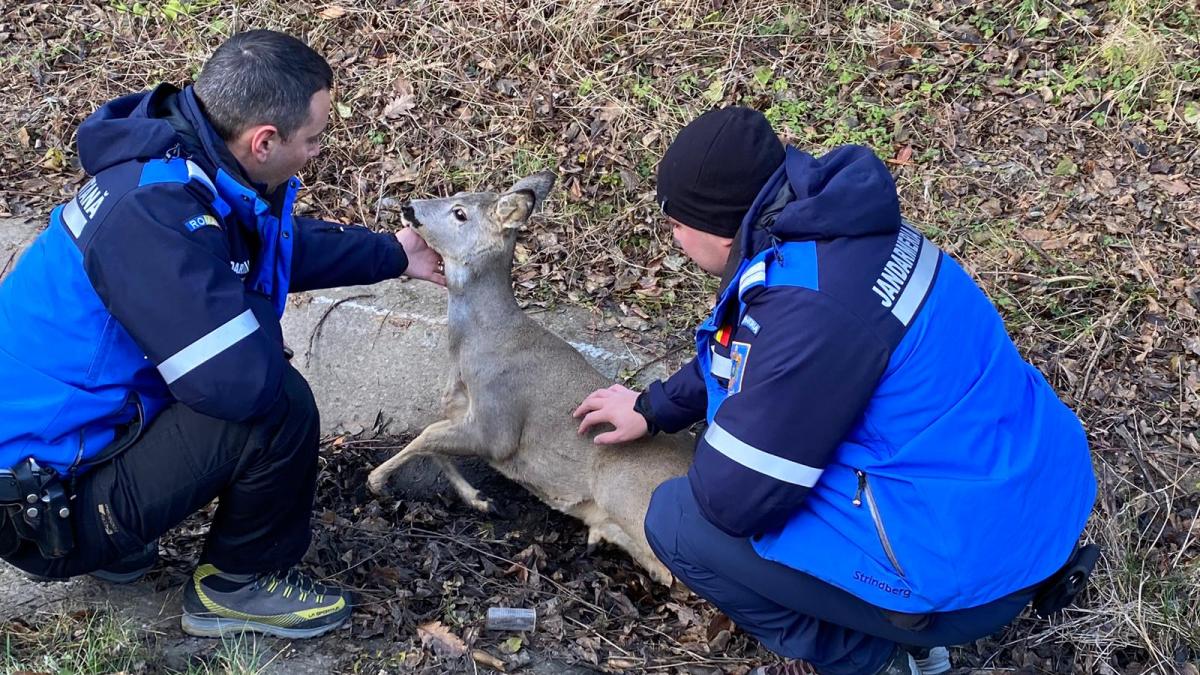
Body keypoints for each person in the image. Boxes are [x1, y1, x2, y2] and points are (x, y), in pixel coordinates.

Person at [573, 107, 1097, 675]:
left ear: (717, 224)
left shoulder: (811, 309)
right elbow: (768, 352)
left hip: (979, 572)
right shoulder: (846, 233)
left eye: (676, 221)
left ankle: (878, 659)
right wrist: (654, 407)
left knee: (681, 521)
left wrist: (722, 441)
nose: (673, 235)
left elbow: (732, 499)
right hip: (1036, 500)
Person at [0, 30, 445, 639]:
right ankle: (236, 584)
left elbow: (249, 248)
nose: (318, 151)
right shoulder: (154, 220)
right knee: (276, 402)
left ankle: (119, 541)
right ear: (264, 141)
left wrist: (392, 254)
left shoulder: (172, 167)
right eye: (313, 139)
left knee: (228, 373)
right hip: (43, 513)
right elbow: (241, 386)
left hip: (45, 469)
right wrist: (255, 330)